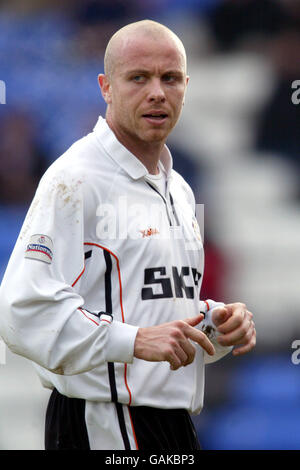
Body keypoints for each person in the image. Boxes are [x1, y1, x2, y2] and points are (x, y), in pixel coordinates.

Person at [0, 20, 256, 450]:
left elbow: (153, 312)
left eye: (170, 78)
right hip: (106, 420)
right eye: (139, 77)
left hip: (171, 422)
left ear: (187, 86)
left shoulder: (178, 187)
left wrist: (215, 326)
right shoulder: (75, 178)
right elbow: (21, 308)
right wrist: (132, 340)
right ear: (106, 87)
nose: (157, 91)